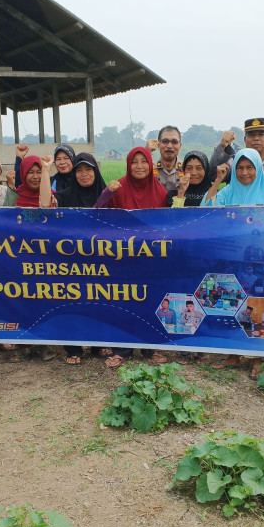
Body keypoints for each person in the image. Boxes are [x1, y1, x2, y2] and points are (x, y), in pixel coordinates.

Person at [202, 149, 264, 377]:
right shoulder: (228, 192)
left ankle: (258, 358)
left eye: (249, 167)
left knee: (257, 307)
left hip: (259, 268)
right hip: (233, 264)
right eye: (240, 168)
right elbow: (207, 208)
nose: (245, 173)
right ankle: (233, 355)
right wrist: (218, 180)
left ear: (257, 168)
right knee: (233, 304)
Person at [95, 147, 169, 367]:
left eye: (143, 161)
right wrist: (107, 193)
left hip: (151, 258)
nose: (139, 166)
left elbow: (167, 225)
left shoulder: (161, 192)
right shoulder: (117, 187)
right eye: (134, 162)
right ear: (128, 165)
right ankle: (122, 350)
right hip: (122, 258)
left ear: (150, 164)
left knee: (151, 301)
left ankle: (150, 350)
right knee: (124, 302)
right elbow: (97, 212)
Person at [39, 152, 107, 364]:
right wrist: (45, 169)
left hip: (100, 261)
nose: (84, 174)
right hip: (72, 262)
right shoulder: (66, 194)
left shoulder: (106, 194)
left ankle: (98, 346)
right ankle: (73, 349)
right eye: (79, 170)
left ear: (96, 171)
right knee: (72, 303)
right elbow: (43, 204)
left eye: (88, 169)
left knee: (99, 302)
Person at [209, 118, 264, 183]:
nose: (256, 138)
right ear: (245, 139)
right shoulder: (234, 162)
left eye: (261, 134)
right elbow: (213, 175)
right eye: (251, 135)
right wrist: (222, 146)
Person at [146, 125, 183, 191]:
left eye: (174, 142)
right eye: (165, 141)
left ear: (180, 146)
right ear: (158, 145)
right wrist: (145, 152)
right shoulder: (148, 168)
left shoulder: (186, 169)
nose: (169, 146)